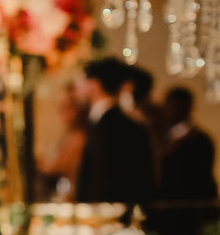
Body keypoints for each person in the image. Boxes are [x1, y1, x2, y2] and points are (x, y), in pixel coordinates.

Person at [75, 57, 154, 205]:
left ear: (95, 84)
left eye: (83, 79)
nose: (77, 85)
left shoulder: (114, 124)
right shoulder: (103, 119)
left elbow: (107, 177)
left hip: (110, 210)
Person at [159, 86, 218, 201]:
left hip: (189, 201)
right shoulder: (162, 136)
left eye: (175, 107)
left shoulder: (200, 141)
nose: (171, 110)